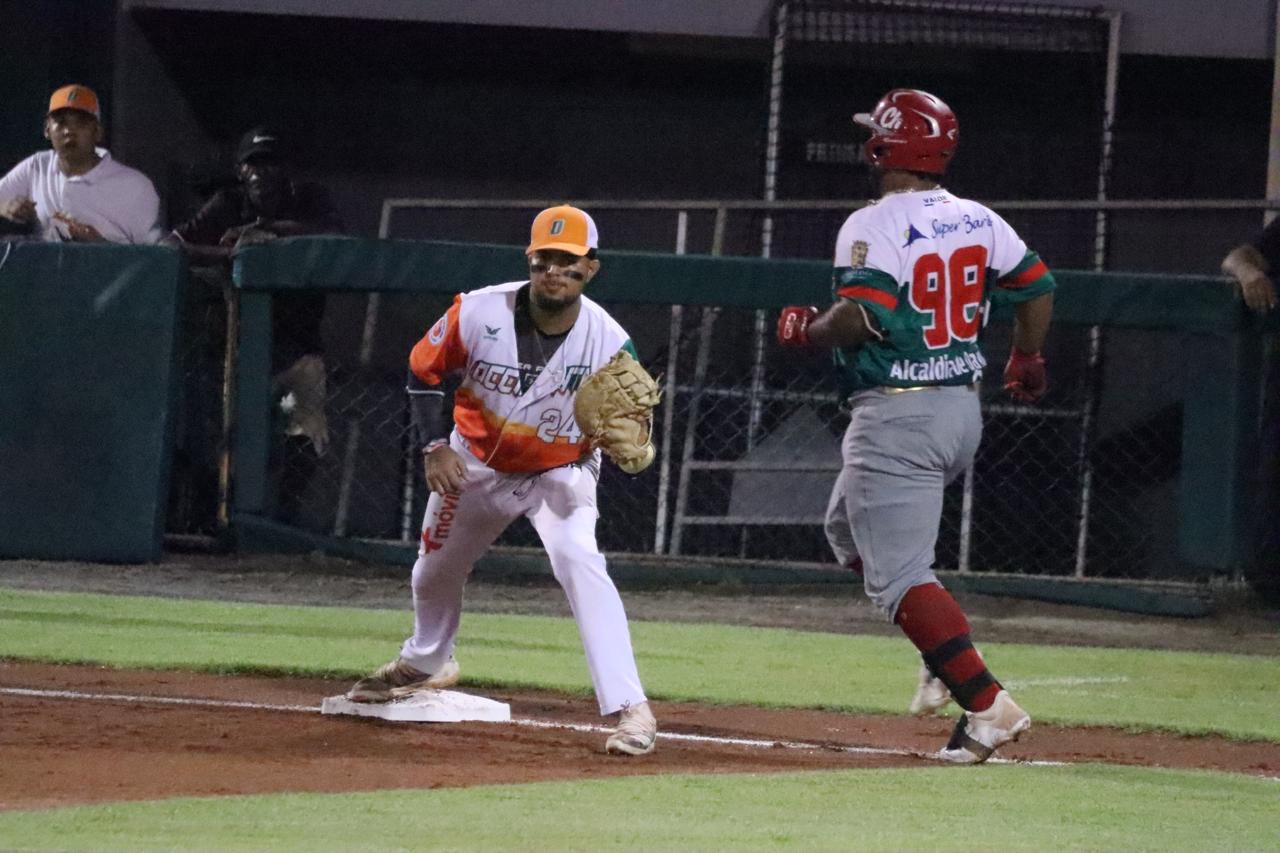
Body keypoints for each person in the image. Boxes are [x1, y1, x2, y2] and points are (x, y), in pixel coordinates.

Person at [776, 89, 1055, 764]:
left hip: (897, 413)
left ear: (885, 147)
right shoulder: (979, 217)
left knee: (900, 578)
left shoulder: (872, 222)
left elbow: (859, 316)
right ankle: (940, 651)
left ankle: (987, 706)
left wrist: (806, 331)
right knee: (845, 530)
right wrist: (1026, 354)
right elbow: (1037, 286)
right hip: (959, 409)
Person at [346, 204, 658, 757]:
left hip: (559, 469)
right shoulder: (477, 311)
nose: (554, 270)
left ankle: (631, 707)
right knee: (433, 570)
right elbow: (422, 370)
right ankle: (426, 660)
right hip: (474, 463)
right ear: (529, 260)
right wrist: (434, 445)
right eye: (545, 258)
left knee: (579, 560)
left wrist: (622, 438)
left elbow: (630, 423)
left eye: (568, 260)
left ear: (591, 268)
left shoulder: (610, 342)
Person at [165, 126, 343, 528]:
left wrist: (272, 233)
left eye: (270, 163)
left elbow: (336, 234)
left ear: (286, 169)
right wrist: (230, 253)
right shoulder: (229, 202)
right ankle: (212, 521)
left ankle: (285, 520)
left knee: (302, 422)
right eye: (253, 164)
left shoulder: (308, 199)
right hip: (232, 350)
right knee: (217, 435)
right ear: (240, 171)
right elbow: (171, 244)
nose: (262, 173)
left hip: (294, 350)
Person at [0, 84, 162, 244]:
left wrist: (99, 244)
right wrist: (6, 206)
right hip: (49, 262)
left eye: (81, 123)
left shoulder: (135, 186)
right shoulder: (37, 166)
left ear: (98, 131)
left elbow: (155, 256)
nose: (69, 131)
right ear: (47, 130)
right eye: (61, 122)